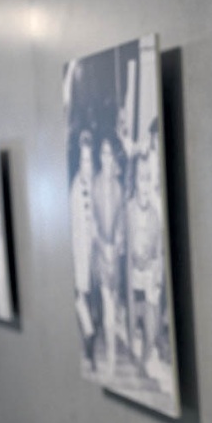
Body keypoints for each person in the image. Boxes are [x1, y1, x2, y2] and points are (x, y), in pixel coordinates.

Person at [126, 154, 166, 384]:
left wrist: (155, 277)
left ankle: (144, 361)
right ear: (136, 181)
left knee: (150, 330)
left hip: (148, 279)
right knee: (135, 326)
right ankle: (138, 362)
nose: (145, 184)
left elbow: (159, 252)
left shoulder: (155, 215)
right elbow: (123, 244)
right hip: (133, 281)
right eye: (142, 178)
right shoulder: (129, 210)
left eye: (148, 178)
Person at [92, 135, 125, 379]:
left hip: (115, 254)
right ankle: (112, 360)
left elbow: (121, 221)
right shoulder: (94, 185)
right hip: (100, 254)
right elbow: (92, 221)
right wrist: (102, 246)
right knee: (107, 306)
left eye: (110, 154)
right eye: (103, 154)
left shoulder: (118, 188)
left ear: (113, 158)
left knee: (112, 302)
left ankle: (111, 349)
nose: (106, 158)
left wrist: (117, 245)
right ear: (100, 156)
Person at [70, 130, 99, 369]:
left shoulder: (96, 183)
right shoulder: (75, 190)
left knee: (95, 305)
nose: (85, 165)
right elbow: (75, 230)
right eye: (83, 160)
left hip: (96, 256)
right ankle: (89, 350)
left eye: (88, 160)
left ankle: (92, 343)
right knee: (83, 301)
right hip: (81, 254)